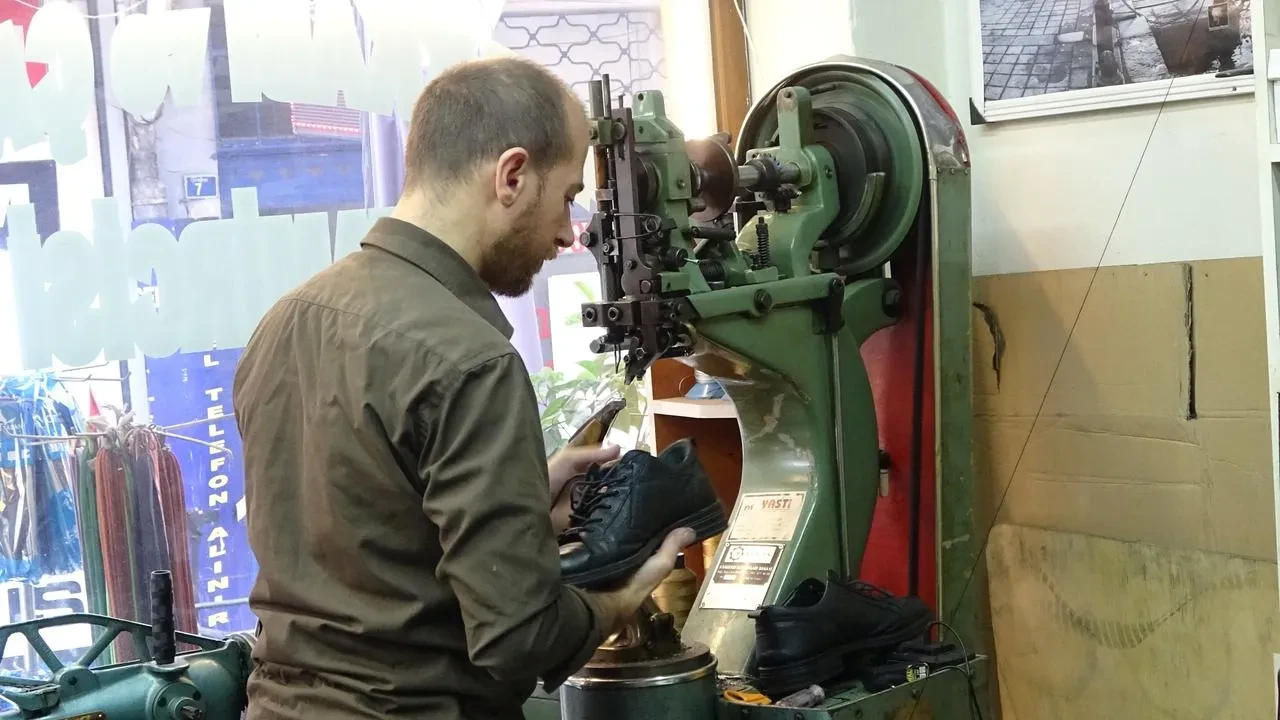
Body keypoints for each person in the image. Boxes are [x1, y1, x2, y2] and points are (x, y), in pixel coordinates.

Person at [232, 56, 692, 720]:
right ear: (512, 176)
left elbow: (363, 542)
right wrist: (617, 601)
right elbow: (518, 639)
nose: (567, 232)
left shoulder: (286, 320)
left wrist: (518, 495)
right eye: (567, 197)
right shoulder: (470, 360)